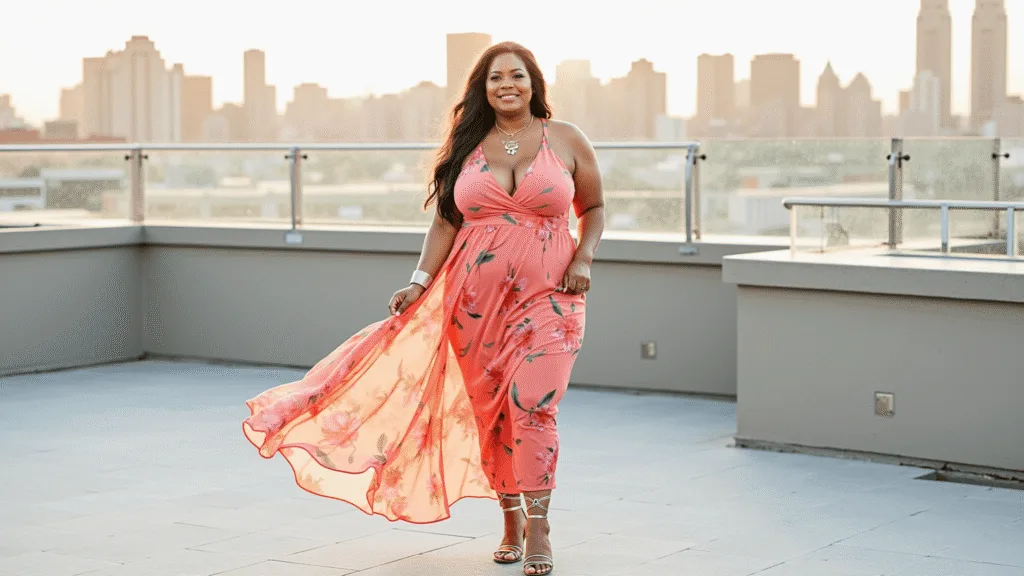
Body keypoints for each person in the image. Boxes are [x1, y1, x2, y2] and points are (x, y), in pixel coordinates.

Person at [242, 41, 604, 576]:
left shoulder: (566, 139)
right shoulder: (467, 145)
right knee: (491, 413)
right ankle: (510, 517)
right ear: (483, 89)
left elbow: (593, 206)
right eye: (495, 78)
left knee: (533, 404)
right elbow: (444, 223)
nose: (507, 85)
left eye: (516, 76)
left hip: (552, 296)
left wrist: (584, 256)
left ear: (534, 84)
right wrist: (418, 283)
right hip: (474, 304)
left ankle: (539, 526)